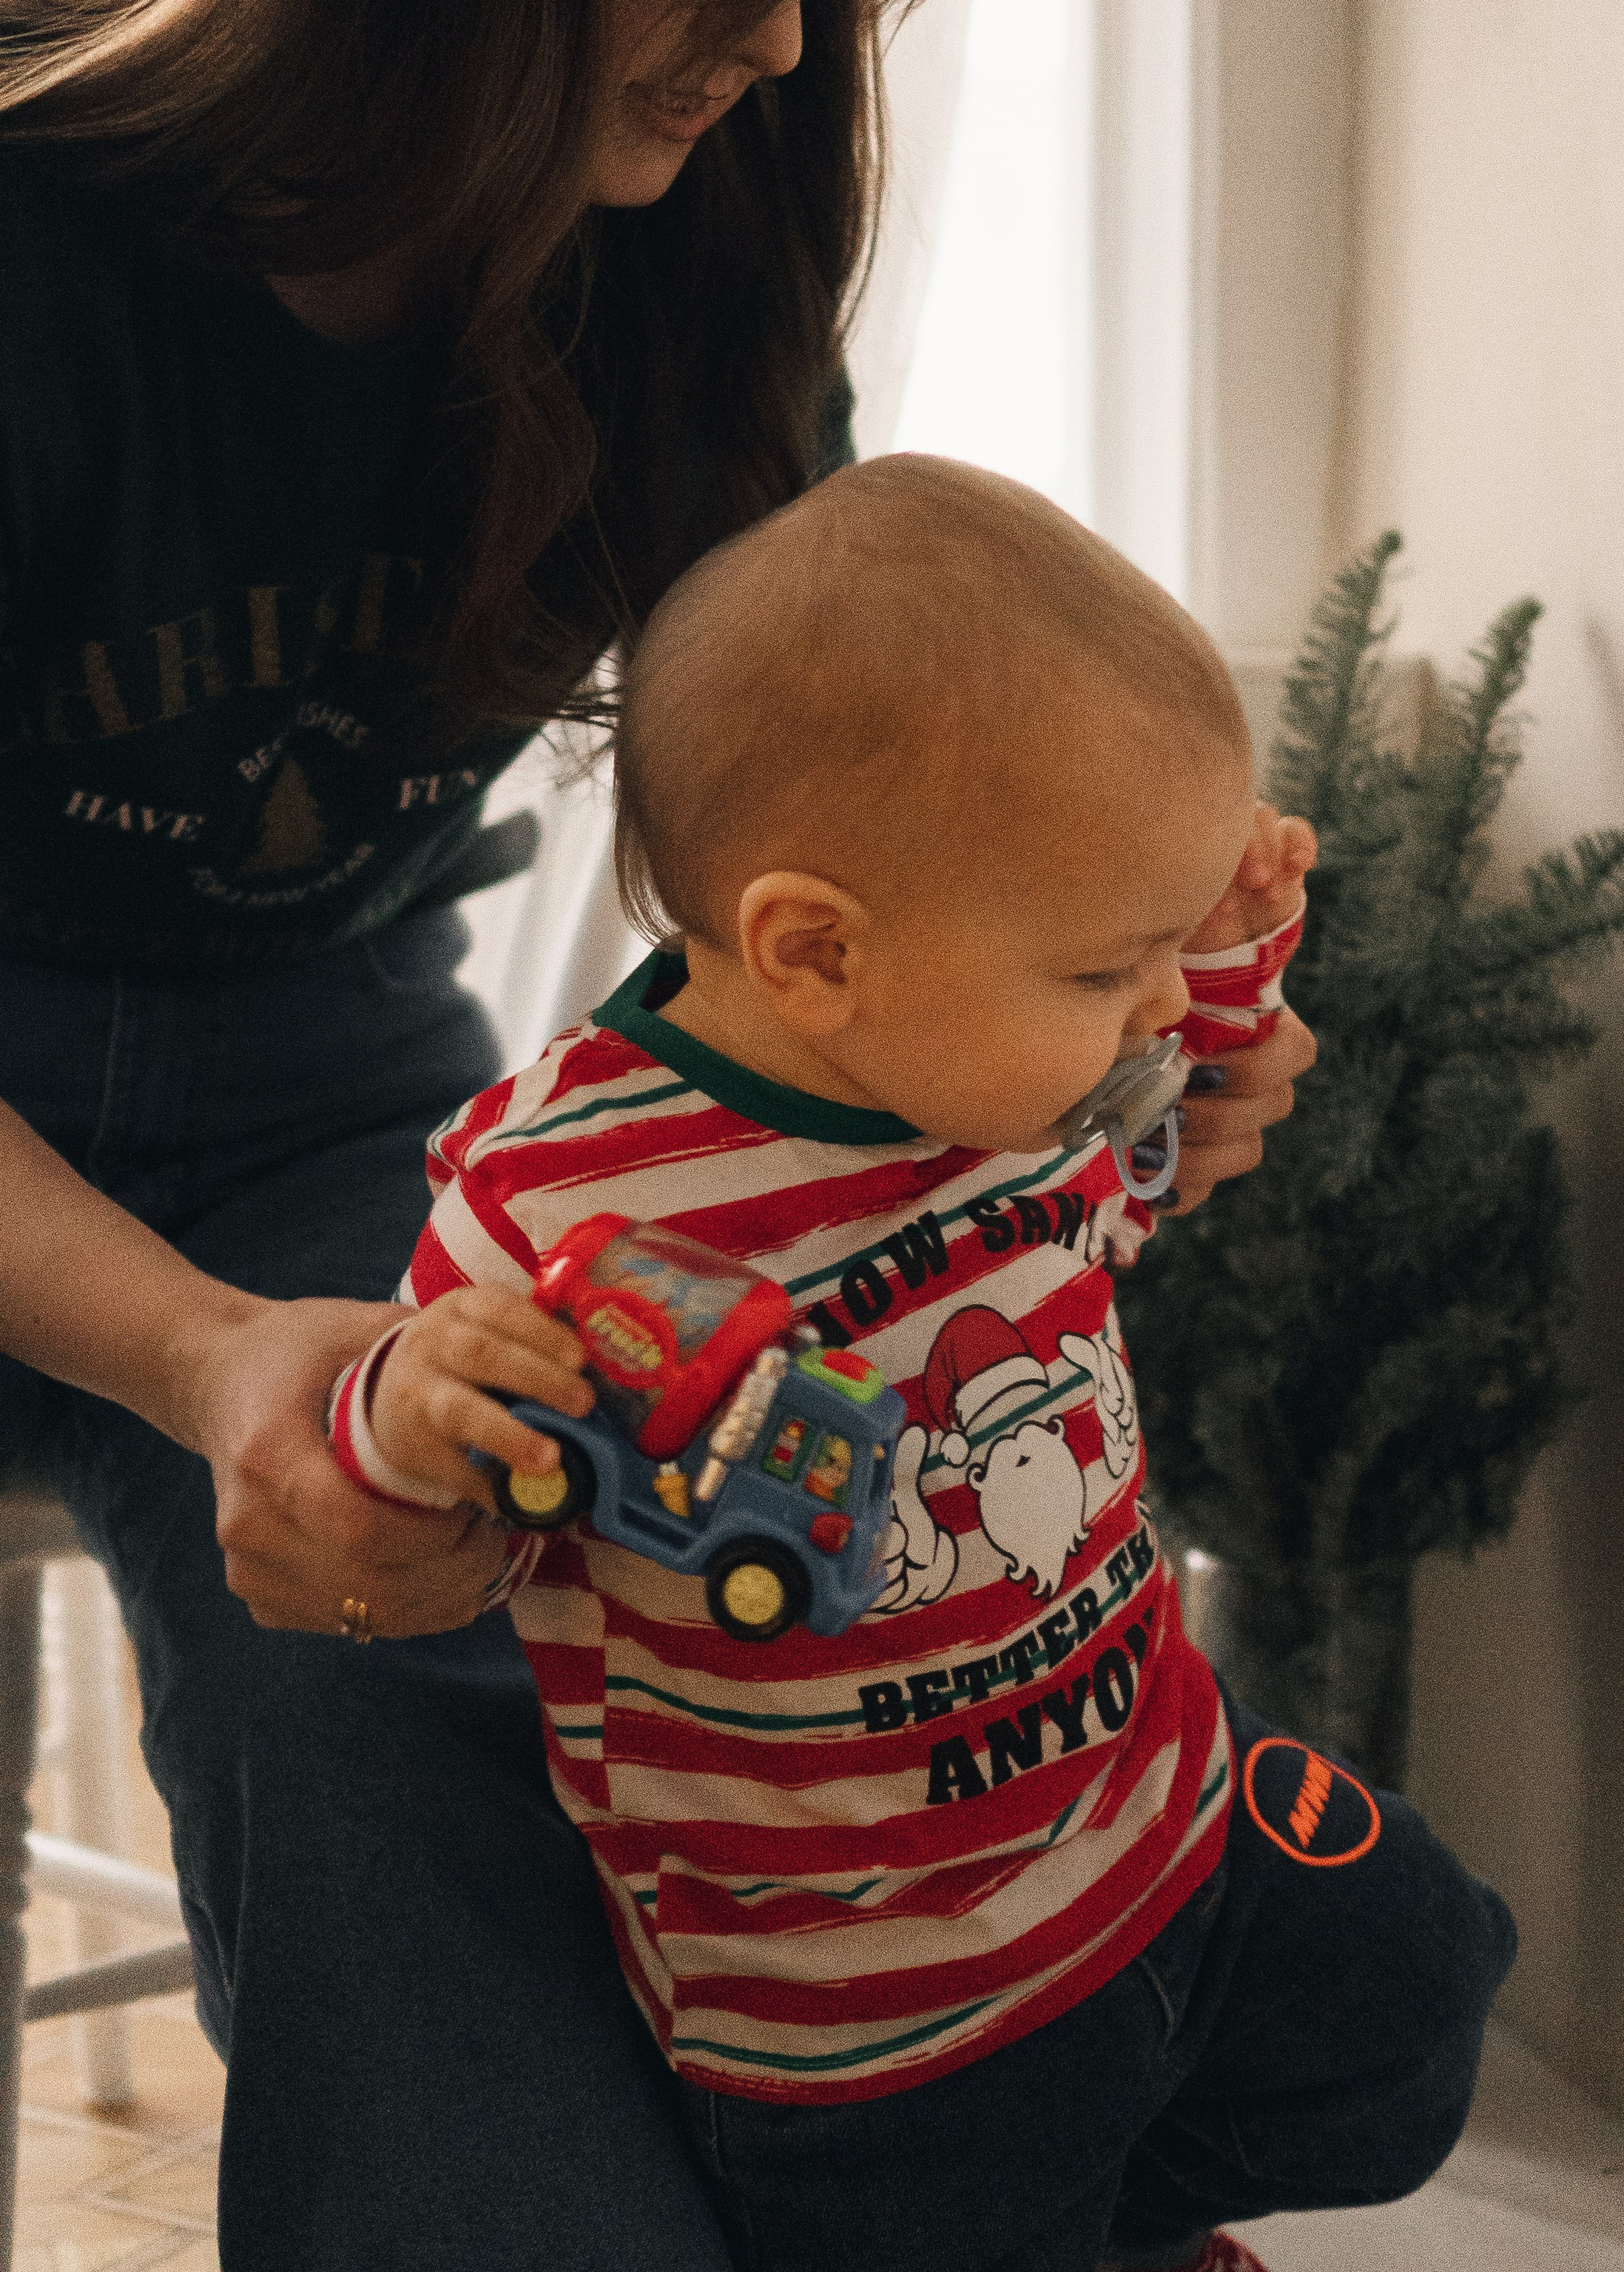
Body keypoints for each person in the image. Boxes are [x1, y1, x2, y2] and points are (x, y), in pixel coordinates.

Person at [0, 0, 1312, 2268]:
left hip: (332, 1108)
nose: (795, 38)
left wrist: (1102, 1023)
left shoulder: (692, 266)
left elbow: (818, 900)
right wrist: (218, 1360)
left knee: (423, 1713)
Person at [346, 457, 1516, 2272]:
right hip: (878, 2022)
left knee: (1419, 1992)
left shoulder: (994, 1068)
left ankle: (1133, 2220)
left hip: (1163, 1821)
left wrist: (1216, 946)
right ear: (816, 952)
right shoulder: (555, 1195)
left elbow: (1146, 1133)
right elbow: (436, 1457)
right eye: (1097, 964)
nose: (1132, 1011)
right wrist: (412, 1410)